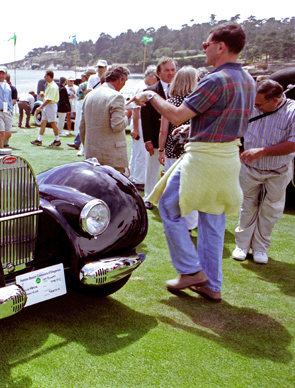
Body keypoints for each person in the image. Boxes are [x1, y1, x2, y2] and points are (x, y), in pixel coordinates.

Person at [131, 22, 256, 302]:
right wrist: (196, 127)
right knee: (212, 220)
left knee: (168, 206)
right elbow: (226, 117)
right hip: (228, 159)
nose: (204, 49)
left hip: (204, 159)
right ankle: (212, 284)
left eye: (206, 44)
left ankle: (189, 270)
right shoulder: (248, 79)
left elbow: (176, 115)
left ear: (221, 47)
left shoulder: (215, 79)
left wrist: (151, 94)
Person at [232, 79, 295, 264]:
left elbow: (293, 143)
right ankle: (242, 245)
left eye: (259, 104)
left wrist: (263, 152)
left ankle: (260, 248)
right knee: (247, 206)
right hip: (250, 168)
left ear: (276, 100)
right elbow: (236, 127)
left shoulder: (293, 111)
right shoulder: (252, 105)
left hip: (279, 170)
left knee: (270, 210)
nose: (255, 107)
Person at [157, 65, 199, 231]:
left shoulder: (171, 103)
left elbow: (163, 131)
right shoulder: (198, 103)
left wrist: (160, 150)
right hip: (193, 150)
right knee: (192, 187)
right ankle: (190, 222)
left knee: (172, 187)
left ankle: (174, 220)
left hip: (172, 148)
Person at [141, 57, 177, 210]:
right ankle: (148, 197)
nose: (170, 73)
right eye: (167, 70)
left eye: (173, 70)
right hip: (155, 137)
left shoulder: (180, 89)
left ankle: (169, 199)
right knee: (152, 168)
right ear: (158, 72)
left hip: (176, 139)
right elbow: (145, 118)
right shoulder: (149, 92)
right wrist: (148, 139)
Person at [79, 65, 130, 173]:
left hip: (91, 156)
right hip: (112, 157)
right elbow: (117, 126)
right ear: (121, 79)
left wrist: (87, 147)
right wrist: (127, 115)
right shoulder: (116, 96)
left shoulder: (89, 96)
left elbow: (82, 127)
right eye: (125, 81)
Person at [128, 65, 158, 190]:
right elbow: (136, 110)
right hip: (139, 122)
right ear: (151, 76)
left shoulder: (140, 86)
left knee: (136, 152)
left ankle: (133, 175)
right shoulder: (143, 88)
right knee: (140, 152)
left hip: (138, 122)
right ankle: (139, 179)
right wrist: (135, 128)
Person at [31, 70, 61, 147]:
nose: (44, 77)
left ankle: (57, 140)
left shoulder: (53, 86)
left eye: (45, 76)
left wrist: (41, 106)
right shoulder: (48, 85)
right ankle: (39, 140)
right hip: (47, 106)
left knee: (53, 123)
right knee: (43, 122)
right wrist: (43, 95)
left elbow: (50, 99)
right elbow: (48, 97)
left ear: (49, 76)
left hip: (51, 106)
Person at [68, 72, 90, 152]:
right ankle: (77, 142)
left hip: (81, 102)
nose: (81, 78)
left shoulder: (83, 85)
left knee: (80, 122)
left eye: (82, 77)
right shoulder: (86, 84)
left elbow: (78, 94)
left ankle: (79, 143)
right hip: (82, 102)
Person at [0, 66, 14, 148]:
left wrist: (11, 110)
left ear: (6, 74)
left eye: (3, 73)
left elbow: (9, 99)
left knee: (8, 134)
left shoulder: (8, 85)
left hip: (7, 111)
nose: (1, 75)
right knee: (1, 133)